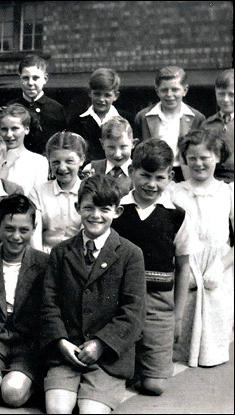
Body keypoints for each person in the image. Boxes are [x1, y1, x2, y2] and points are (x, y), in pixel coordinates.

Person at [40, 175, 146, 414]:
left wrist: (100, 344)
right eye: (88, 207)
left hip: (107, 358)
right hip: (66, 352)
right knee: (57, 410)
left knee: (90, 412)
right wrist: (60, 342)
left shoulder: (131, 254)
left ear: (117, 211)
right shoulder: (60, 252)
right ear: (78, 208)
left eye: (104, 209)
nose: (95, 215)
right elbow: (49, 304)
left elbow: (133, 313)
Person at [111, 139, 199, 395]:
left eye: (159, 177)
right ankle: (129, 362)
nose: (151, 184)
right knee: (119, 375)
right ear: (131, 172)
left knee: (154, 386)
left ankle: (146, 365)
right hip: (119, 301)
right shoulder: (116, 210)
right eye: (145, 175)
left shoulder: (177, 216)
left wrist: (178, 316)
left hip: (158, 304)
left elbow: (183, 267)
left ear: (170, 177)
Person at [0, 194, 49, 408]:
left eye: (24, 230)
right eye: (9, 228)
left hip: (27, 341)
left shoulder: (44, 263)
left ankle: (27, 380)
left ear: (33, 228)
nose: (16, 236)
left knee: (12, 393)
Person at [171, 129, 234, 368]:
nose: (198, 164)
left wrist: (221, 265)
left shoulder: (227, 192)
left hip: (217, 268)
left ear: (217, 157)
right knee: (181, 343)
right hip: (186, 266)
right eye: (192, 158)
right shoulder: (175, 191)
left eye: (205, 157)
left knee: (213, 345)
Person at [134, 66, 205, 182]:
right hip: (154, 173)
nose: (169, 94)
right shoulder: (143, 117)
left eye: (175, 89)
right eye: (164, 90)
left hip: (185, 174)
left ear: (185, 90)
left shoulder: (197, 118)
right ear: (157, 91)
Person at [28, 131, 87, 253]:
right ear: (49, 160)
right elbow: (34, 234)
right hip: (45, 257)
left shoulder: (89, 192)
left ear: (81, 160)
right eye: (56, 162)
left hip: (79, 257)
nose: (62, 168)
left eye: (69, 161)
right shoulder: (38, 193)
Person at [67, 68, 134, 164]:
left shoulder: (127, 119)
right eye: (97, 94)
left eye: (107, 95)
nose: (101, 99)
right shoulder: (77, 122)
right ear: (89, 92)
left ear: (115, 96)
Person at [7, 54, 66, 156]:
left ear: (45, 79)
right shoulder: (10, 107)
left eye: (35, 78)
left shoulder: (56, 109)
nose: (30, 83)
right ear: (20, 79)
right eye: (25, 78)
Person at [0, 104, 50, 195]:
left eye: (15, 129)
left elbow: (39, 196)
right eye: (4, 129)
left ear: (26, 129)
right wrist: (6, 165)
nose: (9, 134)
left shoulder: (38, 161)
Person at [82, 116, 136, 198]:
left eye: (123, 147)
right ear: (102, 144)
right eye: (111, 147)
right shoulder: (91, 169)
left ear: (133, 144)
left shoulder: (138, 172)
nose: (117, 154)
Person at [202, 68, 234, 183]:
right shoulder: (207, 124)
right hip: (215, 181)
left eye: (231, 95)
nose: (226, 99)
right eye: (221, 94)